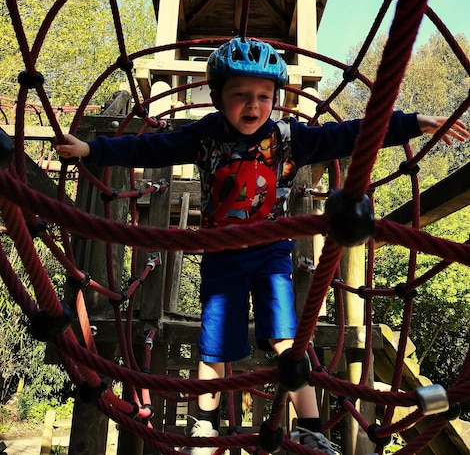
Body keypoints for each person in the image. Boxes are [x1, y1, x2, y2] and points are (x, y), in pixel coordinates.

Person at [55, 36, 469, 455]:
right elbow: (149, 145)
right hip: (220, 252)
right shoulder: (205, 137)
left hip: (271, 252)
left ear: (275, 98)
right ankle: (206, 425)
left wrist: (412, 123)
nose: (252, 106)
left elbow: (351, 135)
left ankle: (310, 427)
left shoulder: (291, 138)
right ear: (217, 97)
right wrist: (92, 149)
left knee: (289, 339)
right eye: (239, 95)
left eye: (262, 96)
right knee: (214, 341)